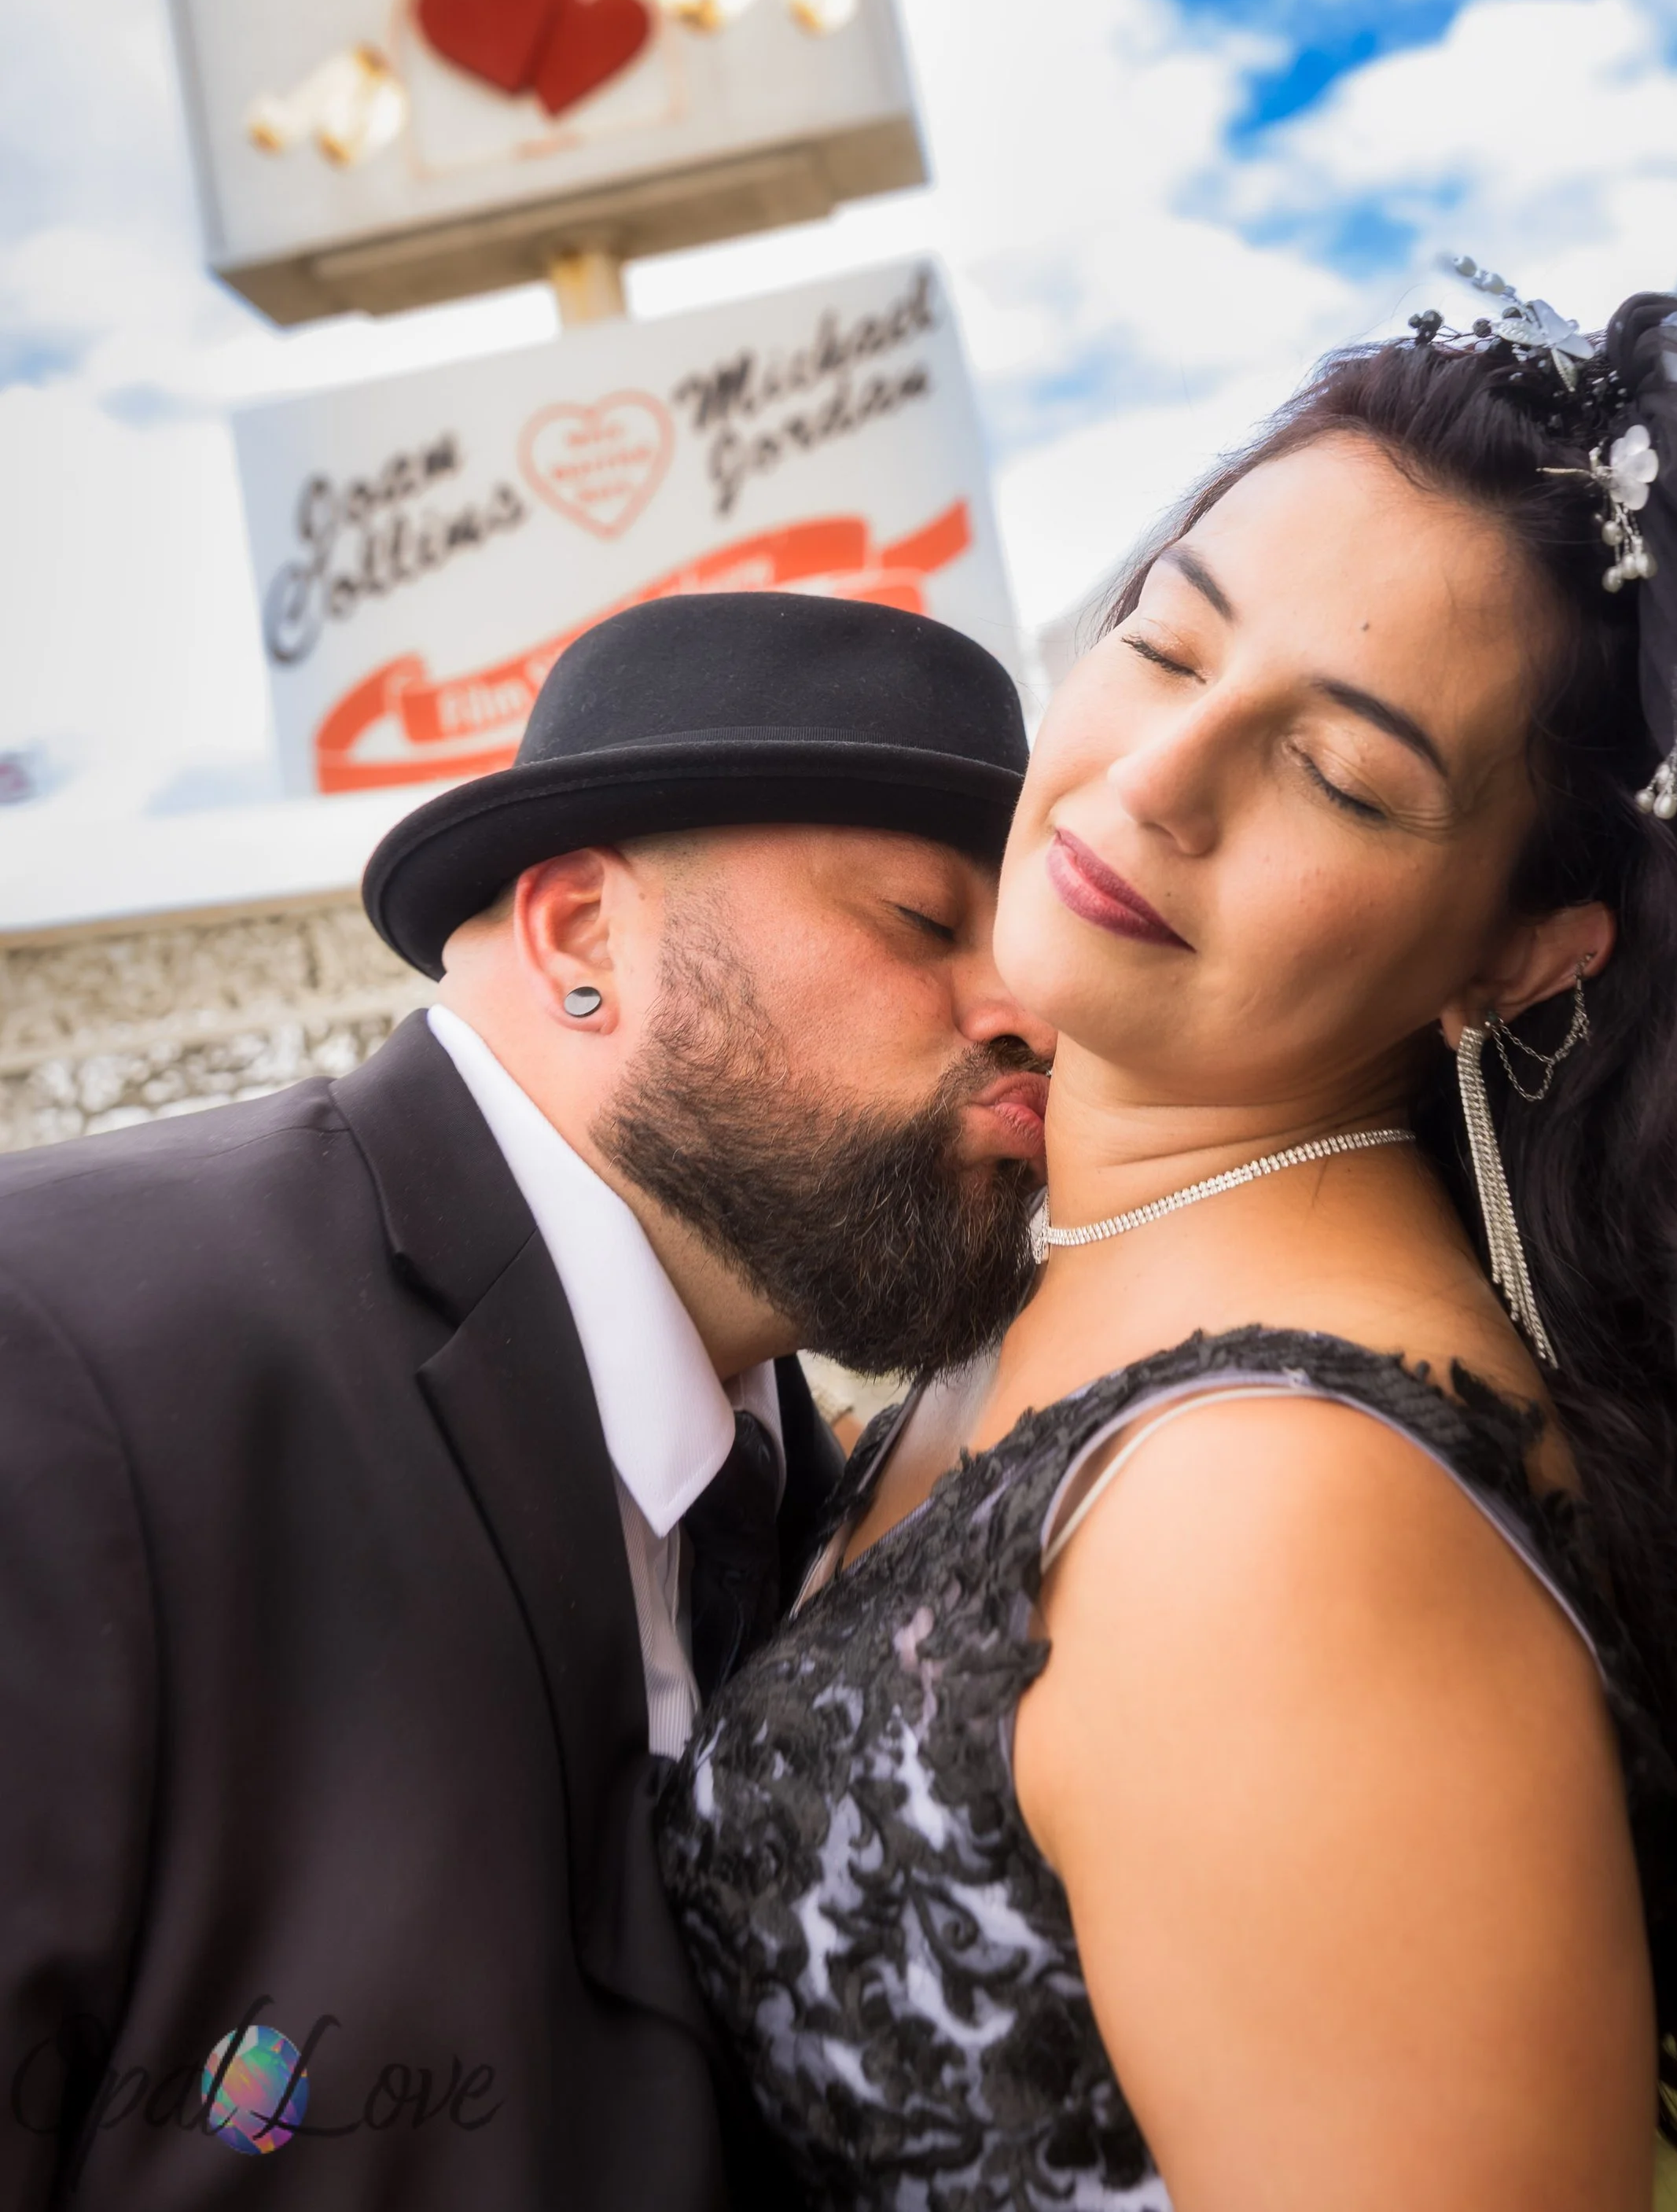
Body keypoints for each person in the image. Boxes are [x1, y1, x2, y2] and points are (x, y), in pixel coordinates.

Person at [658, 293, 1677, 2212]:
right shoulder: (1055, 1259)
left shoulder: (1280, 1517)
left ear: (1519, 950)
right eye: (1165, 640)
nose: (1156, 777)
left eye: (1341, 778)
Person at [0, 587, 1054, 2210]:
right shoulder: (67, 1342)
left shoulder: (818, 1486)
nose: (1027, 1015)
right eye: (926, 922)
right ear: (579, 939)